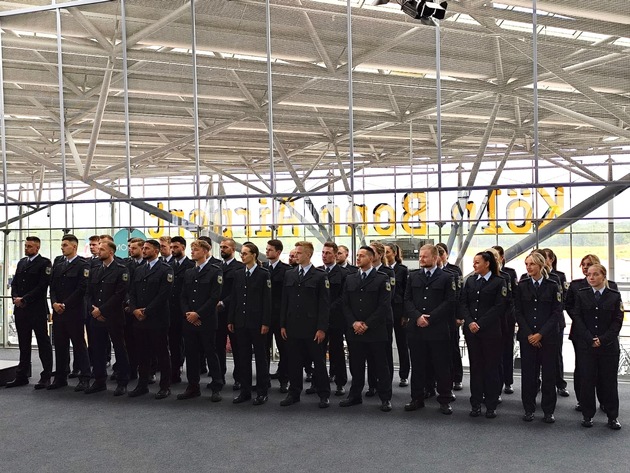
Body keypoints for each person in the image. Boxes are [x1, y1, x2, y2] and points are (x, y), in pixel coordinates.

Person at [404, 244, 456, 414]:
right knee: (418, 365)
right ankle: (417, 398)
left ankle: (444, 400)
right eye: (420, 256)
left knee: (441, 366)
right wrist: (417, 316)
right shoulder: (413, 276)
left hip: (438, 329)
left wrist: (431, 318)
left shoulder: (447, 277)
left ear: (435, 258)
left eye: (425, 257)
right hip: (416, 328)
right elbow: (407, 300)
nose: (421, 259)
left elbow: (450, 301)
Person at [340, 246, 393, 412]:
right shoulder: (350, 278)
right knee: (356, 365)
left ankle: (385, 398)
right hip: (355, 330)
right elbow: (345, 303)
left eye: (362, 256)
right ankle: (355, 395)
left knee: (380, 366)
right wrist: (354, 322)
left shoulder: (382, 278)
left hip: (375, 330)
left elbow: (384, 306)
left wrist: (367, 324)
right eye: (357, 255)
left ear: (371, 258)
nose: (358, 258)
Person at [571, 264, 623, 430]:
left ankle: (612, 416)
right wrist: (589, 338)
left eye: (595, 275)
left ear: (603, 277)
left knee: (609, 382)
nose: (591, 277)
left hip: (608, 347)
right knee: (587, 380)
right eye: (589, 275)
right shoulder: (582, 295)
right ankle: (587, 415)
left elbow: (617, 321)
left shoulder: (614, 296)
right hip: (587, 345)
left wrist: (603, 339)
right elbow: (577, 318)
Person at [280, 241, 330, 408]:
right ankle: (294, 393)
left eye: (299, 253)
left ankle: (324, 394)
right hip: (293, 326)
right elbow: (284, 301)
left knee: (318, 362)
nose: (295, 255)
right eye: (295, 253)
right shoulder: (290, 274)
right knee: (293, 362)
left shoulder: (320, 276)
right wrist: (283, 325)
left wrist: (322, 328)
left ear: (308, 255)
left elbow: (324, 305)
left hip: (312, 328)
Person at [514, 252, 563, 423]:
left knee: (549, 375)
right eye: (527, 264)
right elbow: (518, 311)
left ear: (541, 266)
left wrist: (541, 334)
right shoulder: (522, 285)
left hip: (548, 337)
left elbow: (556, 312)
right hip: (528, 337)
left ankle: (548, 410)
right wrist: (529, 334)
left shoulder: (552, 285)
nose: (528, 267)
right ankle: (529, 409)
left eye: (532, 264)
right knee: (529, 375)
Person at [565, 254, 618, 411]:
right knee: (582, 370)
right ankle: (583, 401)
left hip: (604, 335)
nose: (586, 268)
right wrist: (585, 330)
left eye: (589, 264)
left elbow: (616, 315)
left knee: (604, 372)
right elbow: (570, 307)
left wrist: (602, 337)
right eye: (583, 265)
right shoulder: (576, 286)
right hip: (581, 333)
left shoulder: (611, 287)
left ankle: (604, 402)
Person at [459, 251, 507, 418]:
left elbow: (499, 307)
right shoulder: (470, 281)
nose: (474, 265)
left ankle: (491, 404)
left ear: (487, 263)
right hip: (472, 332)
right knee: (476, 368)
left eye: (477, 262)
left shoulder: (499, 282)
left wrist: (480, 323)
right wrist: (470, 321)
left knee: (491, 368)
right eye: (473, 262)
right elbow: (463, 303)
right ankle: (476, 403)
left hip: (490, 332)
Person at [177, 239, 224, 401]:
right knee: (191, 354)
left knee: (211, 352)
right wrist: (188, 314)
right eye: (192, 249)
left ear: (205, 251)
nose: (193, 252)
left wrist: (198, 314)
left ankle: (216, 386)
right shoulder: (190, 272)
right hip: (189, 321)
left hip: (207, 320)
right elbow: (183, 296)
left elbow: (214, 297)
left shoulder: (215, 271)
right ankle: (193, 386)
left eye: (196, 250)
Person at [127, 239, 174, 399]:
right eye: (144, 248)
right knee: (142, 354)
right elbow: (131, 292)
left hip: (157, 319)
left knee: (161, 353)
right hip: (139, 319)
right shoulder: (139, 270)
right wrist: (134, 310)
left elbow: (163, 295)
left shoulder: (165, 269)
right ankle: (142, 385)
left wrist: (146, 311)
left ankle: (165, 386)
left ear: (156, 250)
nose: (144, 250)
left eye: (147, 248)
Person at [6, 236, 54, 389]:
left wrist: (24, 299)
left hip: (36, 310)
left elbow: (42, 286)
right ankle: (22, 375)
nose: (26, 248)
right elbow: (15, 283)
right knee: (23, 343)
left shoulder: (44, 263)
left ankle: (46, 376)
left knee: (43, 342)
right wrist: (15, 297)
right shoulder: (22, 262)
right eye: (25, 245)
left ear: (37, 248)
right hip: (21, 310)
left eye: (29, 246)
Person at [85, 240, 131, 396]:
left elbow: (119, 295)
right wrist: (94, 310)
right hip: (96, 317)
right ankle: (99, 381)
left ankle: (122, 382)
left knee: (119, 349)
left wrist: (102, 310)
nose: (99, 251)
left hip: (114, 317)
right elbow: (89, 293)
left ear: (111, 252)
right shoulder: (95, 270)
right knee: (97, 349)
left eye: (102, 249)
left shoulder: (121, 270)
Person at [228, 242, 272, 405]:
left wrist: (265, 322)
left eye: (245, 253)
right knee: (243, 357)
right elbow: (235, 298)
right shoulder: (239, 273)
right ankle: (245, 391)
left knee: (261, 358)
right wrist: (231, 319)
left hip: (257, 322)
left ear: (254, 254)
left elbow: (267, 300)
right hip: (241, 321)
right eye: (242, 253)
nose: (242, 256)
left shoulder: (263, 274)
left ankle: (262, 391)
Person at [48, 234, 91, 391]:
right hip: (59, 312)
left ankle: (85, 377)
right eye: (62, 244)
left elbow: (82, 288)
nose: (62, 247)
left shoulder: (82, 265)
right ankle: (60, 377)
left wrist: (65, 304)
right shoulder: (59, 265)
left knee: (79, 344)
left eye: (65, 245)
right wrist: (54, 303)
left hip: (74, 312)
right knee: (60, 345)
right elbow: (52, 287)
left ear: (74, 246)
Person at [319, 241, 349, 396]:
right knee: (318, 352)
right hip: (318, 320)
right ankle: (320, 383)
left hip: (336, 318)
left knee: (337, 351)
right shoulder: (317, 272)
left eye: (328, 253)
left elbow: (344, 297)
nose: (325, 256)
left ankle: (340, 382)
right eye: (323, 253)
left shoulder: (344, 274)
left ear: (336, 255)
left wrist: (327, 309)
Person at [365, 241, 395, 395]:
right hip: (367, 319)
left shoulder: (387, 272)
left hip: (383, 319)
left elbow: (389, 297)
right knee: (369, 353)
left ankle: (385, 384)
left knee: (383, 353)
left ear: (380, 255)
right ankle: (372, 384)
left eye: (373, 251)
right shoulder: (363, 272)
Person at [216, 238, 245, 390]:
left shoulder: (239, 268)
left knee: (237, 346)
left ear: (233, 249)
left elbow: (237, 291)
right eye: (221, 247)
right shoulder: (216, 267)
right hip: (217, 313)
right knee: (218, 346)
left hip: (232, 311)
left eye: (225, 247)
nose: (222, 249)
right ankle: (219, 376)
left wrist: (224, 303)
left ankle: (239, 378)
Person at [264, 239, 291, 393]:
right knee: (263, 349)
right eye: (266, 249)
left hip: (280, 316)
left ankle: (284, 380)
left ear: (278, 252)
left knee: (284, 349)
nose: (267, 251)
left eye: (270, 249)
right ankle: (264, 379)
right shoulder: (262, 268)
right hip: (265, 316)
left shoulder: (286, 270)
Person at [542, 248, 570, 397]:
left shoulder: (558, 276)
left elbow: (564, 299)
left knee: (556, 355)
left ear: (551, 259)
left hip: (556, 322)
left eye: (544, 258)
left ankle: (560, 383)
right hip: (538, 323)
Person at [436, 242, 464, 391]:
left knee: (453, 347)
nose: (439, 257)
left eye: (441, 254)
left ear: (446, 254)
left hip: (451, 315)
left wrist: (459, 316)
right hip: (436, 317)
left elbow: (459, 294)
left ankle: (457, 377)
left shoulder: (454, 271)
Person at [168, 236, 195, 384]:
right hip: (171, 310)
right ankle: (175, 370)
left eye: (176, 247)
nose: (173, 250)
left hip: (187, 310)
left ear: (183, 248)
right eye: (171, 247)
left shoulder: (191, 265)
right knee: (173, 342)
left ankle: (193, 375)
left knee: (190, 344)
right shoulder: (168, 265)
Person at [493, 245, 518, 395]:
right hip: (492, 323)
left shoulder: (508, 274)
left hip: (507, 320)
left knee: (507, 352)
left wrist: (511, 317)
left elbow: (514, 297)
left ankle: (508, 381)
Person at [385, 242, 409, 388]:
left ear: (394, 253)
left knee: (402, 344)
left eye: (388, 252)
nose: (386, 255)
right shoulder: (382, 270)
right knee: (386, 343)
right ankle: (387, 374)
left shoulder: (402, 270)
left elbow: (407, 292)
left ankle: (404, 375)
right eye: (384, 252)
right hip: (387, 311)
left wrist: (405, 314)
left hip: (399, 310)